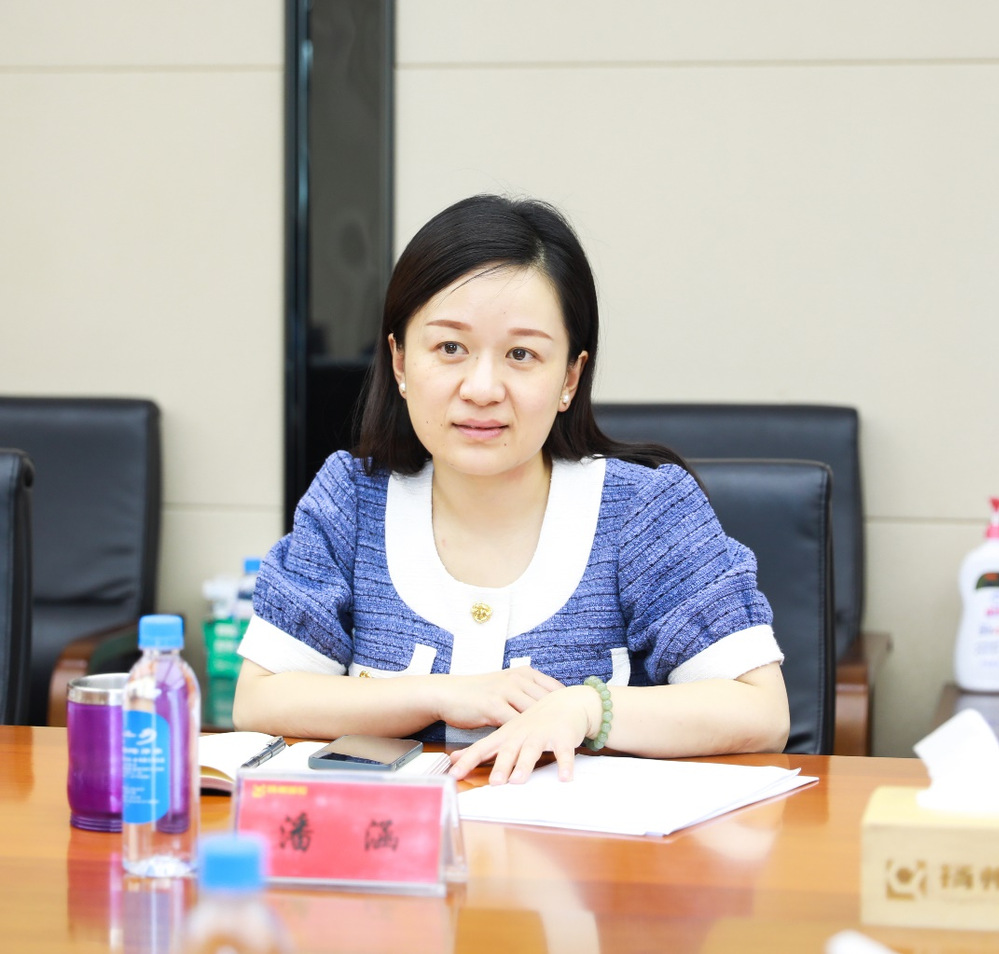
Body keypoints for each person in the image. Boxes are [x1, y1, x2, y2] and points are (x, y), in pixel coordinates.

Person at [233, 194, 790, 784]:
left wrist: (585, 708)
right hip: (402, 844)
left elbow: (760, 711)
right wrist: (441, 694)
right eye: (450, 348)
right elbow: (260, 698)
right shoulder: (352, 500)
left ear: (570, 377)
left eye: (521, 354)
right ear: (399, 362)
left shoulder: (643, 509)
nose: (482, 388)